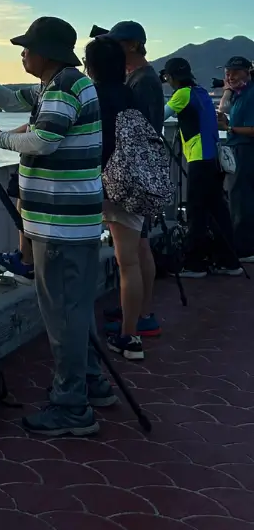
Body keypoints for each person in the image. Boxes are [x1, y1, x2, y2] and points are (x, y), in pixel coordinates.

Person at [0, 16, 114, 438]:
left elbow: (43, 140)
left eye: (27, 47)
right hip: (65, 223)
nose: (22, 53)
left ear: (47, 53)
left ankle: (71, 406)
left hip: (61, 226)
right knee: (74, 310)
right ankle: (91, 384)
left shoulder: (63, 88)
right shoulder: (57, 85)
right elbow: (7, 99)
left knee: (62, 315)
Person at [100, 22, 163, 340]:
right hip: (141, 174)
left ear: (133, 46)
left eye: (117, 44)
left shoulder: (142, 82)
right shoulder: (143, 78)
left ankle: (139, 318)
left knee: (135, 252)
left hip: (133, 177)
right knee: (139, 248)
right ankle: (137, 310)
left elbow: (138, 129)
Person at [84, 37, 146, 362]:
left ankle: (80, 339)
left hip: (98, 185)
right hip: (134, 184)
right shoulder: (130, 94)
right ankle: (130, 336)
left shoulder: (90, 95)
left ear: (89, 66)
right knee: (130, 262)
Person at [162, 56, 241, 277]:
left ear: (172, 77)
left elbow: (160, 115)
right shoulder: (201, 92)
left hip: (199, 160)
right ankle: (229, 261)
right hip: (214, 159)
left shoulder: (182, 94)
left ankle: (195, 264)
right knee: (218, 211)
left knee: (196, 212)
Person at [217, 56, 254, 263]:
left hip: (245, 151)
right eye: (228, 72)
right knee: (240, 198)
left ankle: (244, 249)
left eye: (235, 72)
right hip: (239, 148)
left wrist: (229, 128)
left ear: (247, 72)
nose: (230, 76)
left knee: (241, 200)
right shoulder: (240, 94)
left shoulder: (250, 95)